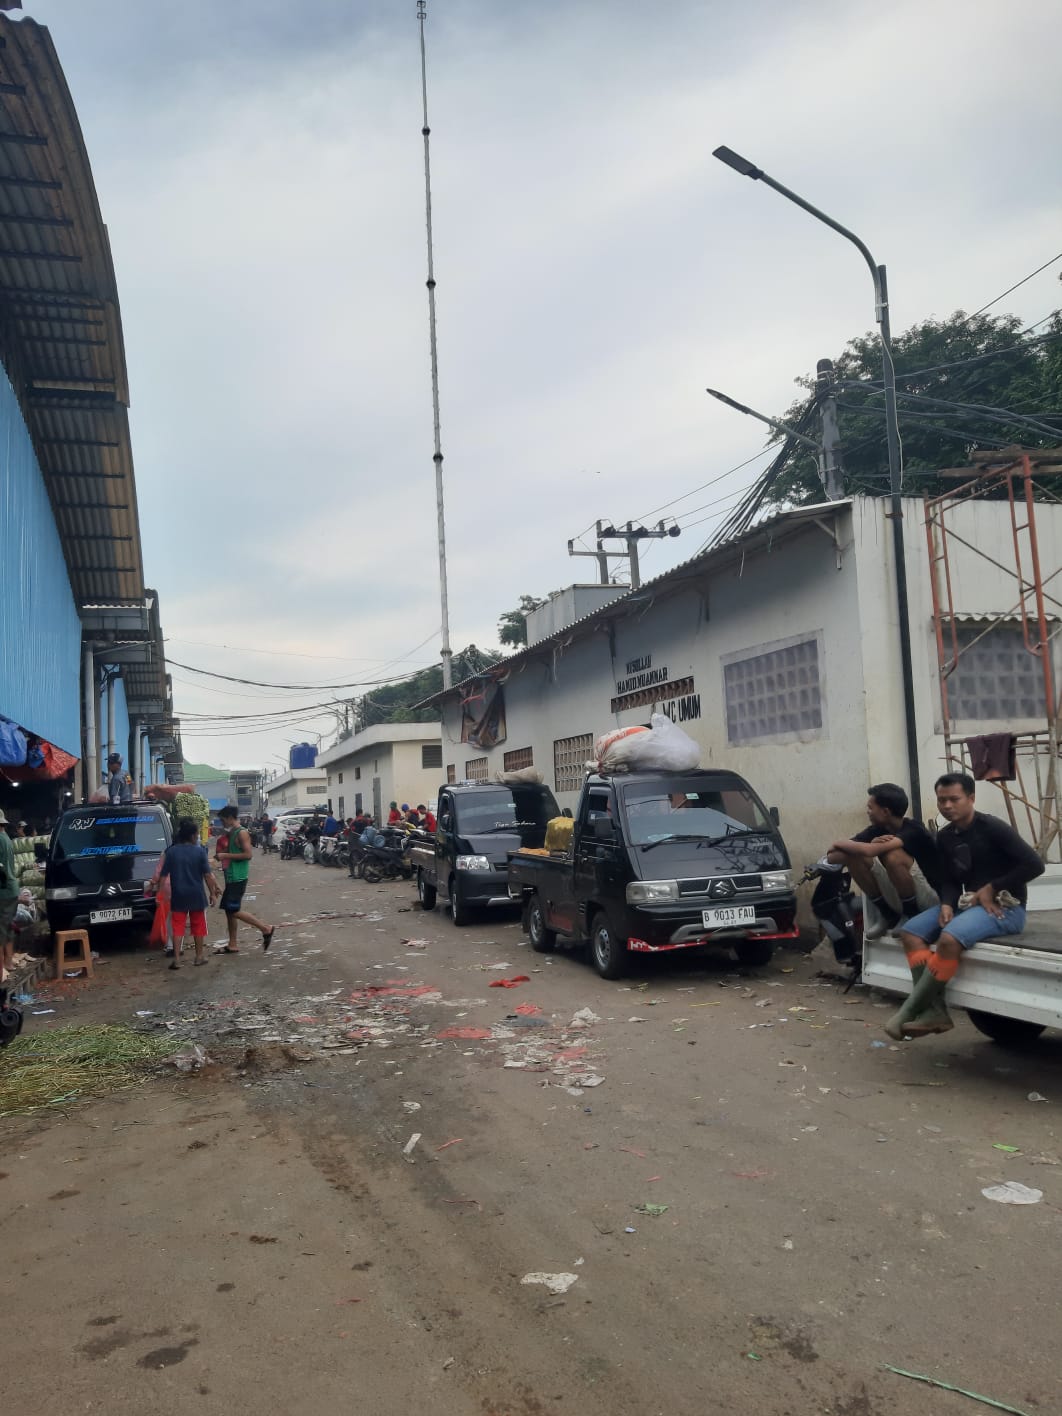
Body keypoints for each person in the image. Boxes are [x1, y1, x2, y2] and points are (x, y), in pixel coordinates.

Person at [885, 772, 1045, 1040]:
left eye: (954, 799)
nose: (947, 806)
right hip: (967, 904)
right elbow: (948, 879)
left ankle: (909, 1009)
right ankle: (935, 1011)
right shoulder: (946, 836)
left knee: (949, 939)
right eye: (941, 800)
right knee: (910, 933)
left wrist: (992, 888)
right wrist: (947, 904)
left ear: (971, 798)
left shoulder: (993, 828)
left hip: (1006, 909)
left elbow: (1034, 864)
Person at [826, 783, 941, 939]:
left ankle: (910, 914)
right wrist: (860, 845)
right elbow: (832, 857)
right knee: (853, 856)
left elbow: (870, 851)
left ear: (886, 812)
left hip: (931, 898)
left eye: (870, 808)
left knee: (891, 854)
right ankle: (887, 914)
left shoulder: (913, 829)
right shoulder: (877, 830)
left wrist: (838, 843)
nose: (868, 812)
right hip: (901, 894)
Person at [156, 818, 219, 968]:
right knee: (198, 925)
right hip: (197, 895)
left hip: (178, 895)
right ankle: (199, 957)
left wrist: (160, 894)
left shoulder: (171, 852)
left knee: (178, 927)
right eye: (197, 834)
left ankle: (177, 959)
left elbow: (163, 875)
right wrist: (212, 893)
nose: (197, 836)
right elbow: (208, 875)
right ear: (192, 836)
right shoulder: (199, 851)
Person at [214, 804, 275, 953]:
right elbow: (232, 851)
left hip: (238, 877)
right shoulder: (233, 832)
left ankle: (265, 928)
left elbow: (248, 855)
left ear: (230, 818)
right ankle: (232, 944)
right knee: (230, 911)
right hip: (231, 875)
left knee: (233, 910)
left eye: (223, 821)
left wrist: (225, 855)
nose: (222, 824)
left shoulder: (242, 833)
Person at [0, 809, 17, 980]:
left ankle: (4, 967)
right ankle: (9, 962)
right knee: (8, 926)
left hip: (3, 890)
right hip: (11, 889)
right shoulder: (7, 839)